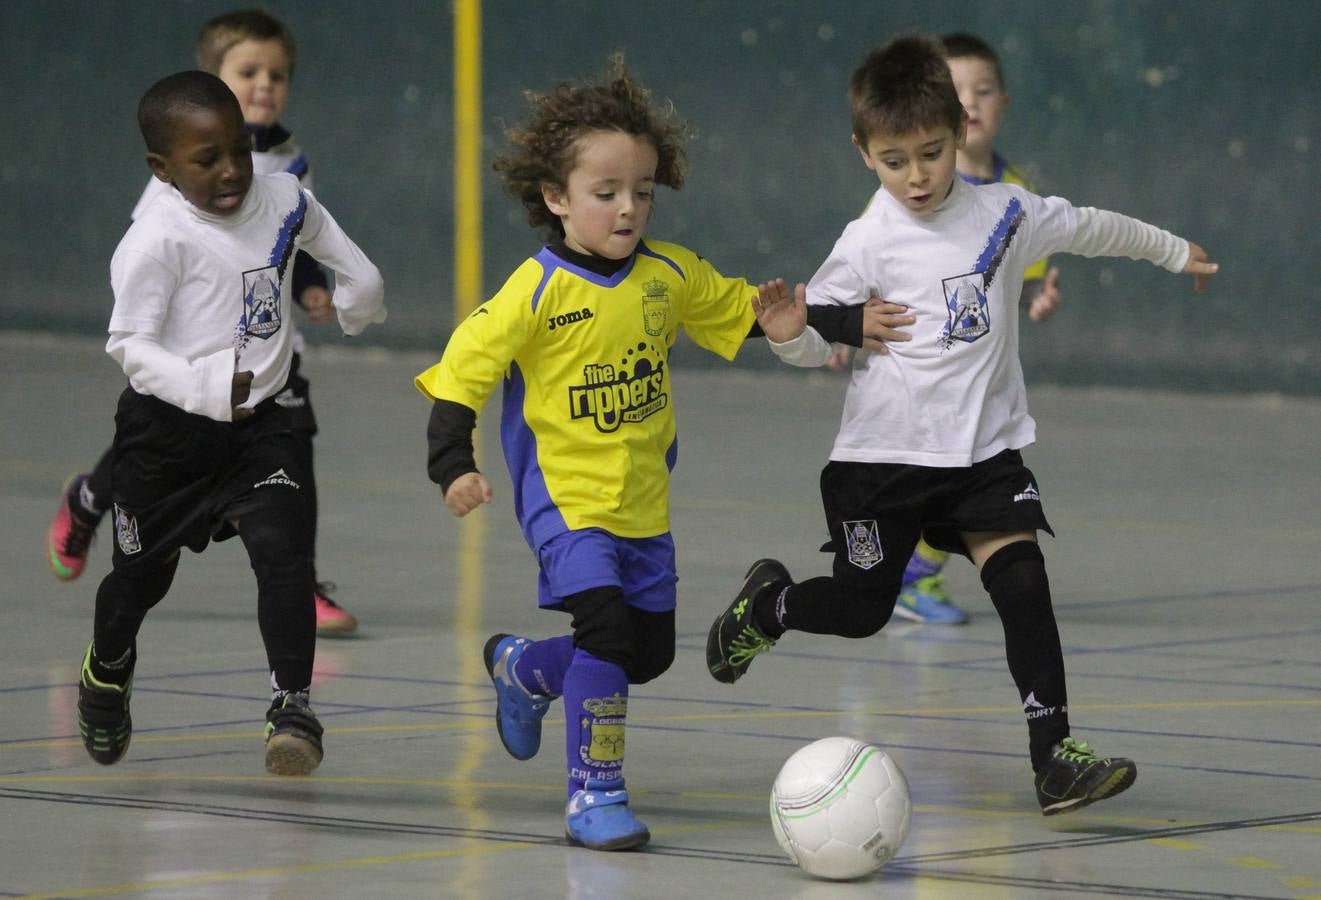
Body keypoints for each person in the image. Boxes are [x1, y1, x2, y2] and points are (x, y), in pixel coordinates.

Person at [705, 35, 1217, 816]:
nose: (915, 175)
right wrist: (788, 332)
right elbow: (814, 348)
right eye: (893, 159)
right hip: (880, 463)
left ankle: (1055, 758)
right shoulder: (866, 239)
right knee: (861, 610)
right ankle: (767, 606)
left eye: (931, 153)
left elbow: (1092, 226)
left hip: (982, 455)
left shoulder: (1006, 212)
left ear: (961, 133)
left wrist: (1175, 252)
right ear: (862, 153)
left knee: (1022, 582)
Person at [415, 57, 893, 851]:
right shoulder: (533, 294)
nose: (628, 207)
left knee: (645, 654)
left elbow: (749, 310)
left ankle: (525, 670)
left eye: (640, 190)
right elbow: (461, 375)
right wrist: (451, 465)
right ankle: (593, 795)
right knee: (604, 627)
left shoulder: (668, 276)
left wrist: (824, 325)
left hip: (644, 503)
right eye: (605, 194)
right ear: (556, 198)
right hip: (565, 502)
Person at [75, 71, 384, 776]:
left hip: (261, 427)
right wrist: (200, 386)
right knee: (139, 582)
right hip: (166, 439)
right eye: (205, 158)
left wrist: (361, 284)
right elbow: (130, 348)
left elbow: (317, 226)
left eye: (238, 151)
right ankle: (107, 671)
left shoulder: (278, 198)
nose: (229, 171)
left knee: (283, 550)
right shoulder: (155, 242)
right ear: (162, 169)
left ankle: (292, 705)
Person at [46, 9, 360, 637]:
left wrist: (312, 291)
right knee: (163, 442)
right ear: (213, 83)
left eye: (278, 74)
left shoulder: (292, 163)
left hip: (268, 352)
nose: (266, 84)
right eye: (248, 72)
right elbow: (153, 252)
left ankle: (302, 579)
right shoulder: (174, 183)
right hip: (194, 354)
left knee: (291, 449)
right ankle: (90, 498)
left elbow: (292, 240)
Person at [888, 31, 1067, 626]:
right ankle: (895, 577)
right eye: (955, 91)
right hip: (919, 367)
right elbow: (866, 263)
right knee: (961, 481)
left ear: (1003, 103)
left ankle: (908, 576)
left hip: (980, 376)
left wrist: (1040, 298)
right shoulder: (911, 191)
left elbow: (1030, 275)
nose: (970, 103)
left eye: (982, 91)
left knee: (973, 479)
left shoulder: (1017, 191)